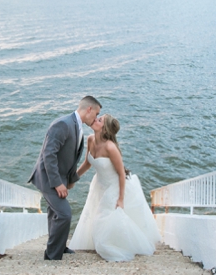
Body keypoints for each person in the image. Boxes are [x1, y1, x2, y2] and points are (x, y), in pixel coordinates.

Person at [69, 114, 160, 262]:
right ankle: (103, 241)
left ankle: (109, 245)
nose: (95, 119)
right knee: (95, 215)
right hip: (99, 184)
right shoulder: (91, 139)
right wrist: (72, 179)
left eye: (100, 120)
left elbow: (121, 174)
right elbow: (87, 163)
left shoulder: (110, 148)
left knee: (102, 218)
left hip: (115, 186)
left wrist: (121, 199)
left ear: (104, 129)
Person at [28, 96, 102, 260]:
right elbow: (49, 154)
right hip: (48, 177)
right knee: (64, 214)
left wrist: (69, 180)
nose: (96, 118)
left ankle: (58, 247)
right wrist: (57, 183)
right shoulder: (63, 124)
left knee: (54, 212)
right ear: (88, 109)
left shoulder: (77, 126)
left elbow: (70, 157)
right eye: (96, 113)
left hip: (59, 177)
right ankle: (52, 256)